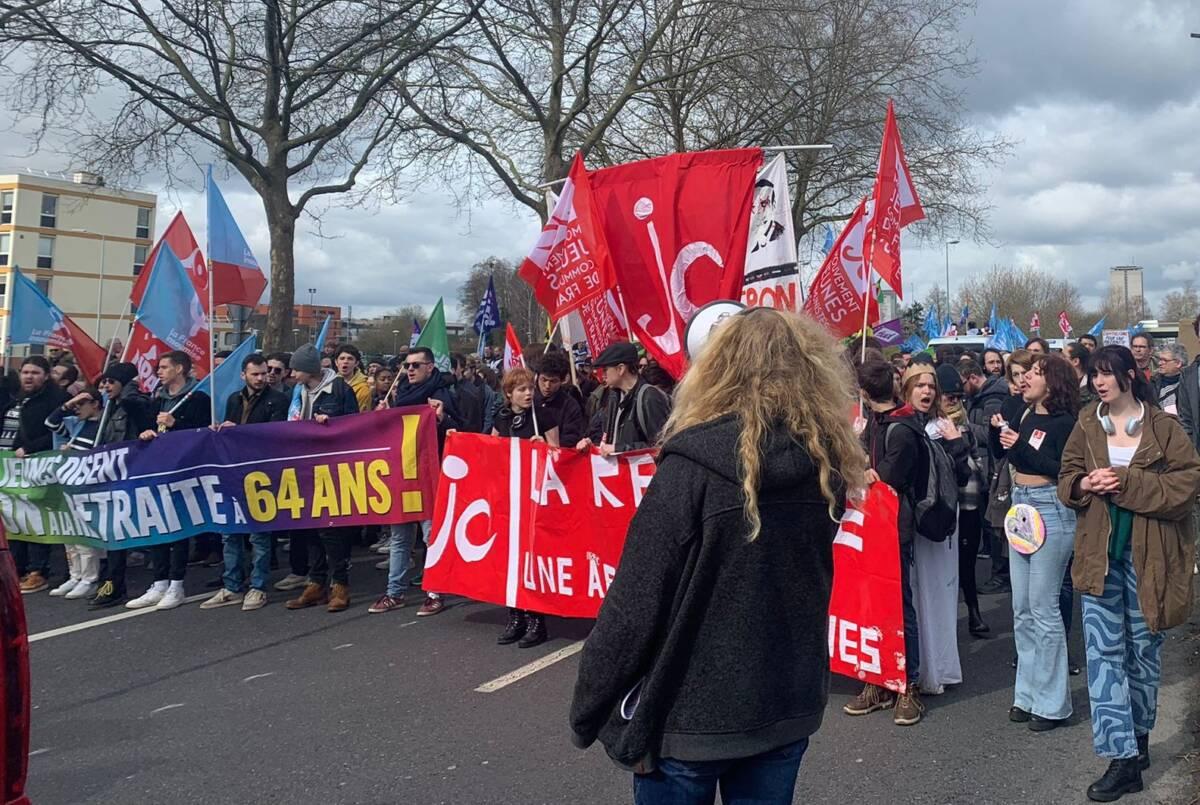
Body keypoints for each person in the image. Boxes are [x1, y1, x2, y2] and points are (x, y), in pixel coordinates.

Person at [569, 309, 865, 803]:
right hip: (783, 702)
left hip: (687, 716)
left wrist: (590, 705)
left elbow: (635, 602)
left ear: (715, 369)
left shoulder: (691, 467)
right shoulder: (826, 465)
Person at [1058, 345, 1200, 802]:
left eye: (1108, 374)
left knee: (1143, 653)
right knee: (1103, 655)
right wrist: (1083, 484)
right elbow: (1067, 477)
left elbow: (1185, 486)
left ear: (1128, 376)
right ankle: (1120, 759)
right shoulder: (1085, 423)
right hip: (1100, 557)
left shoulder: (1164, 426)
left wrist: (1125, 483)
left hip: (1150, 559)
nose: (1099, 382)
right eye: (1095, 375)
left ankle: (1138, 741)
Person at [990, 353, 1079, 732]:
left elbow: (1059, 469)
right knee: (1022, 608)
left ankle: (1053, 703)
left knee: (1044, 608)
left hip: (1050, 509)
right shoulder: (1024, 413)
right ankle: (1025, 694)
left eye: (1036, 374)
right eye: (1025, 374)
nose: (1026, 379)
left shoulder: (1065, 423)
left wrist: (1018, 446)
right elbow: (1005, 456)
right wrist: (1002, 436)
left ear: (1053, 382)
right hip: (1022, 508)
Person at [371, 346, 459, 618]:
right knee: (400, 537)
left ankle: (435, 593)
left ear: (430, 368)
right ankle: (394, 592)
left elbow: (461, 429)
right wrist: (381, 416)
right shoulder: (400, 397)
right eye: (407, 365)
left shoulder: (444, 395)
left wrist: (443, 418)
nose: (409, 369)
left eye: (416, 365)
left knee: (430, 536)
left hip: (430, 477)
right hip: (403, 475)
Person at [201, 353, 290, 612]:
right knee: (230, 533)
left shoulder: (278, 400)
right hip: (234, 472)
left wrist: (237, 431)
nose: (263, 378)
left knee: (259, 534)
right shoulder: (233, 399)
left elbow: (274, 435)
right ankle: (231, 585)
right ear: (244, 375)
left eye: (265, 373)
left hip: (261, 473)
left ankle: (258, 586)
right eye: (256, 374)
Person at [903, 365, 970, 698]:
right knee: (914, 594)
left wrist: (957, 445)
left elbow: (962, 477)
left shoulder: (946, 427)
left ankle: (938, 667)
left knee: (939, 593)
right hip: (910, 520)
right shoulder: (901, 426)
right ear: (907, 389)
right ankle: (916, 665)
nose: (926, 392)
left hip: (940, 520)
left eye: (931, 386)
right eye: (920, 386)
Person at [127, 351, 212, 611]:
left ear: (179, 369)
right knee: (159, 524)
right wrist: (146, 433)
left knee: (178, 527)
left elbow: (202, 433)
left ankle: (177, 583)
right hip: (160, 468)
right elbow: (148, 427)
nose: (159, 371)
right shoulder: (158, 398)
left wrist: (177, 423)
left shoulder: (197, 398)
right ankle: (159, 581)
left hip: (184, 470)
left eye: (164, 367)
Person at [282, 344, 361, 612]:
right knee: (309, 527)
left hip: (332, 468)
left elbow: (354, 426)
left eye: (295, 368)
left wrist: (332, 424)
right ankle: (316, 583)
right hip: (305, 466)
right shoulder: (299, 392)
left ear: (308, 369)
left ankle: (340, 585)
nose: (292, 373)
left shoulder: (339, 390)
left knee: (331, 529)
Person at [487, 366, 560, 648]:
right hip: (509, 498)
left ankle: (536, 619)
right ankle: (515, 616)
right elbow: (489, 450)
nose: (529, 393)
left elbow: (559, 454)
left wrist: (545, 447)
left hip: (536, 498)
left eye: (530, 388)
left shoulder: (544, 416)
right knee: (510, 559)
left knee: (531, 558)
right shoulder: (501, 417)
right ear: (509, 394)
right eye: (522, 389)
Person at [88, 362, 156, 609]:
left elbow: (140, 412)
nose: (105, 386)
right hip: (112, 475)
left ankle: (115, 585)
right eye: (104, 382)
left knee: (118, 532)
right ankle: (108, 582)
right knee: (109, 532)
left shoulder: (132, 402)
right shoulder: (112, 406)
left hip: (129, 476)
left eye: (110, 382)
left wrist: (127, 391)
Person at [8, 357, 69, 593]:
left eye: (34, 372)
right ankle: (16, 568)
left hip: (42, 467)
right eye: (25, 372)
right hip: (17, 468)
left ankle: (38, 571)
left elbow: (59, 434)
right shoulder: (21, 398)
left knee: (37, 519)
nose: (28, 376)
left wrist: (30, 449)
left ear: (46, 375)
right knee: (16, 518)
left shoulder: (57, 399)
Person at [980, 349, 1035, 595]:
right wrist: (995, 429)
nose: (1022, 379)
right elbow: (999, 451)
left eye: (1026, 372)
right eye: (1016, 374)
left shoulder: (1046, 404)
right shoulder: (1010, 402)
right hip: (1012, 479)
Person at [44, 388, 106, 600]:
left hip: (87, 487)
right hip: (69, 485)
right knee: (68, 535)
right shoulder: (77, 424)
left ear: (95, 405)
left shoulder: (102, 426)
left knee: (84, 536)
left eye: (81, 404)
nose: (76, 408)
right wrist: (67, 405)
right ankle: (75, 574)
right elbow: (51, 422)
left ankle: (89, 578)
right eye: (75, 405)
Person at [947, 363, 991, 637]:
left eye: (957, 396)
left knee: (968, 560)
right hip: (947, 506)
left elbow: (975, 458)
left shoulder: (965, 426)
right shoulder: (930, 426)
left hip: (970, 503)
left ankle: (973, 611)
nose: (954, 401)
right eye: (948, 396)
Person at [578, 342, 671, 455]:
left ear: (621, 369)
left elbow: (662, 446)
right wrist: (592, 444)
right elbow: (608, 438)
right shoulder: (613, 397)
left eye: (606, 369)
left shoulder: (650, 397)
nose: (603, 375)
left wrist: (619, 449)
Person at [533, 349, 584, 447]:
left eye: (553, 381)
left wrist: (547, 445)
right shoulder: (529, 400)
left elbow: (572, 438)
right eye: (543, 380)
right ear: (537, 377)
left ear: (563, 380)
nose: (547, 385)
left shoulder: (570, 406)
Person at [334, 344, 373, 412]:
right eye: (342, 358)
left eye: (350, 359)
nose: (345, 361)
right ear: (336, 362)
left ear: (356, 363)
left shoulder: (364, 388)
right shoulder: (328, 384)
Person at [1153, 343, 1187, 417]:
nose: (1159, 363)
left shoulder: (1190, 384)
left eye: (1164, 360)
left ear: (1178, 363)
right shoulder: (1153, 383)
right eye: (1159, 359)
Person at [1068, 342, 1097, 408]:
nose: (1059, 359)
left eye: (1063, 356)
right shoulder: (1057, 383)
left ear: (1075, 361)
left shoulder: (1092, 387)